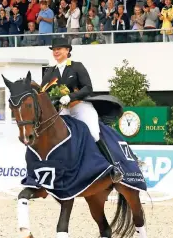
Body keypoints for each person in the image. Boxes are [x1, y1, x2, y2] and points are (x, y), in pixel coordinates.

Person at [41, 37, 124, 183]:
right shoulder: (50, 72)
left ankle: (113, 167)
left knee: (93, 132)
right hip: (62, 110)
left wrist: (70, 96)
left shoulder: (76, 66)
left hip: (80, 106)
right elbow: (43, 92)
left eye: (59, 49)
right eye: (54, 50)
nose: (56, 52)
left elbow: (88, 88)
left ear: (67, 50)